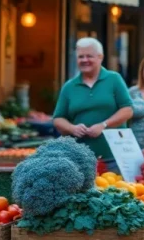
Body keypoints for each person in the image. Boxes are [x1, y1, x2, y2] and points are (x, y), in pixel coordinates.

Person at [53, 38, 133, 172]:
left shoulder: (114, 79)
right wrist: (72, 128)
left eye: (89, 56)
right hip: (79, 159)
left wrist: (104, 125)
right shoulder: (69, 86)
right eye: (81, 57)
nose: (85, 60)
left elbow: (128, 110)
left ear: (100, 57)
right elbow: (58, 118)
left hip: (114, 157)